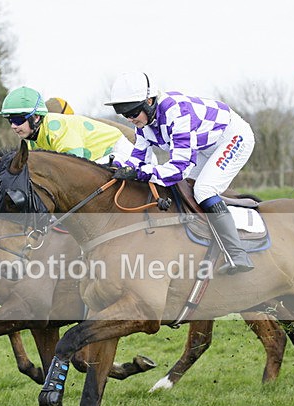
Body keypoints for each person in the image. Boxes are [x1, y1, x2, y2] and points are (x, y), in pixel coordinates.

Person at [104, 72, 255, 275]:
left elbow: (178, 169)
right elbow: (137, 159)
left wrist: (143, 172)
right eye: (124, 115)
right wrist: (119, 167)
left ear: (149, 101)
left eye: (132, 113)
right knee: (185, 187)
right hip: (204, 146)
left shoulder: (177, 113)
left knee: (204, 190)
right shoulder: (143, 123)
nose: (130, 119)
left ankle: (237, 254)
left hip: (233, 138)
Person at [0, 86, 136, 164]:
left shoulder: (58, 129)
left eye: (18, 120)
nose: (13, 126)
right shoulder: (33, 140)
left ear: (36, 117)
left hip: (119, 151)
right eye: (10, 121)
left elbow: (76, 166)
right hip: (96, 158)